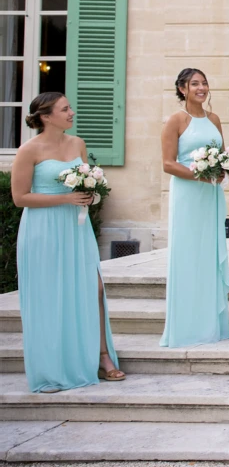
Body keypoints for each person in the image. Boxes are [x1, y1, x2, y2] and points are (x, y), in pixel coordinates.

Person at [11, 92, 124, 392]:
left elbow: (87, 178)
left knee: (93, 287)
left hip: (76, 227)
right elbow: (19, 197)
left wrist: (91, 193)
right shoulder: (28, 150)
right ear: (46, 117)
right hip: (43, 229)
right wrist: (65, 197)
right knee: (50, 294)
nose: (71, 112)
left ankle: (101, 355)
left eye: (70, 107)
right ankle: (54, 364)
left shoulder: (77, 144)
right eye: (65, 109)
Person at [160, 68, 229, 348]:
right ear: (182, 89)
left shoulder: (214, 119)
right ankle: (186, 326)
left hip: (211, 195)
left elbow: (222, 155)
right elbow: (168, 163)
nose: (201, 88)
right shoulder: (176, 120)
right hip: (188, 193)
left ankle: (210, 324)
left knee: (208, 252)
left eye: (204, 83)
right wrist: (199, 174)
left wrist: (226, 169)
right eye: (195, 84)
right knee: (188, 251)